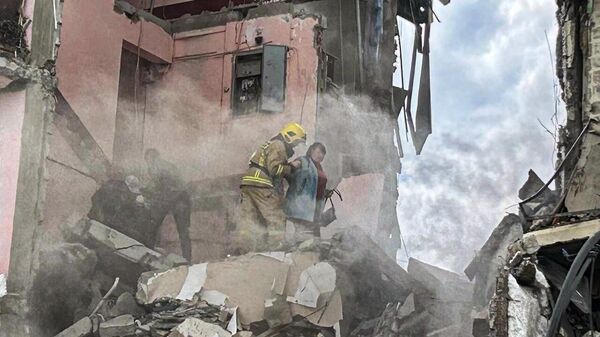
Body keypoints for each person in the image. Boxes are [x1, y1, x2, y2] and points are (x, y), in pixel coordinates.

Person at [235, 122, 307, 253]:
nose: (295, 146)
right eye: (296, 142)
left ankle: (243, 249)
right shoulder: (278, 145)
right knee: (276, 216)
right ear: (289, 136)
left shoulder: (269, 143)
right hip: (262, 183)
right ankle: (276, 247)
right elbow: (275, 169)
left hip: (248, 183)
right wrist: (292, 167)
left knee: (249, 220)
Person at [143, 148, 192, 261]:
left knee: (153, 226)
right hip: (179, 199)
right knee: (183, 231)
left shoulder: (157, 166)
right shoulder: (167, 166)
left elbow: (157, 186)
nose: (147, 162)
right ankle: (187, 258)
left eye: (148, 159)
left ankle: (150, 251)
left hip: (175, 199)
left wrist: (145, 191)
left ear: (152, 157)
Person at [88, 175, 154, 247]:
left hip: (103, 224)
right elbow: (98, 203)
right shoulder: (114, 191)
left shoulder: (118, 190)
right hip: (99, 224)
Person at [284, 142, 329, 243]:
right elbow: (287, 170)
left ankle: (307, 253)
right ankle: (294, 253)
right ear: (311, 150)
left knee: (312, 235)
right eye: (318, 152)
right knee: (302, 234)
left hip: (315, 207)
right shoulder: (303, 161)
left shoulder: (319, 167)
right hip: (301, 205)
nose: (320, 155)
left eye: (322, 154)